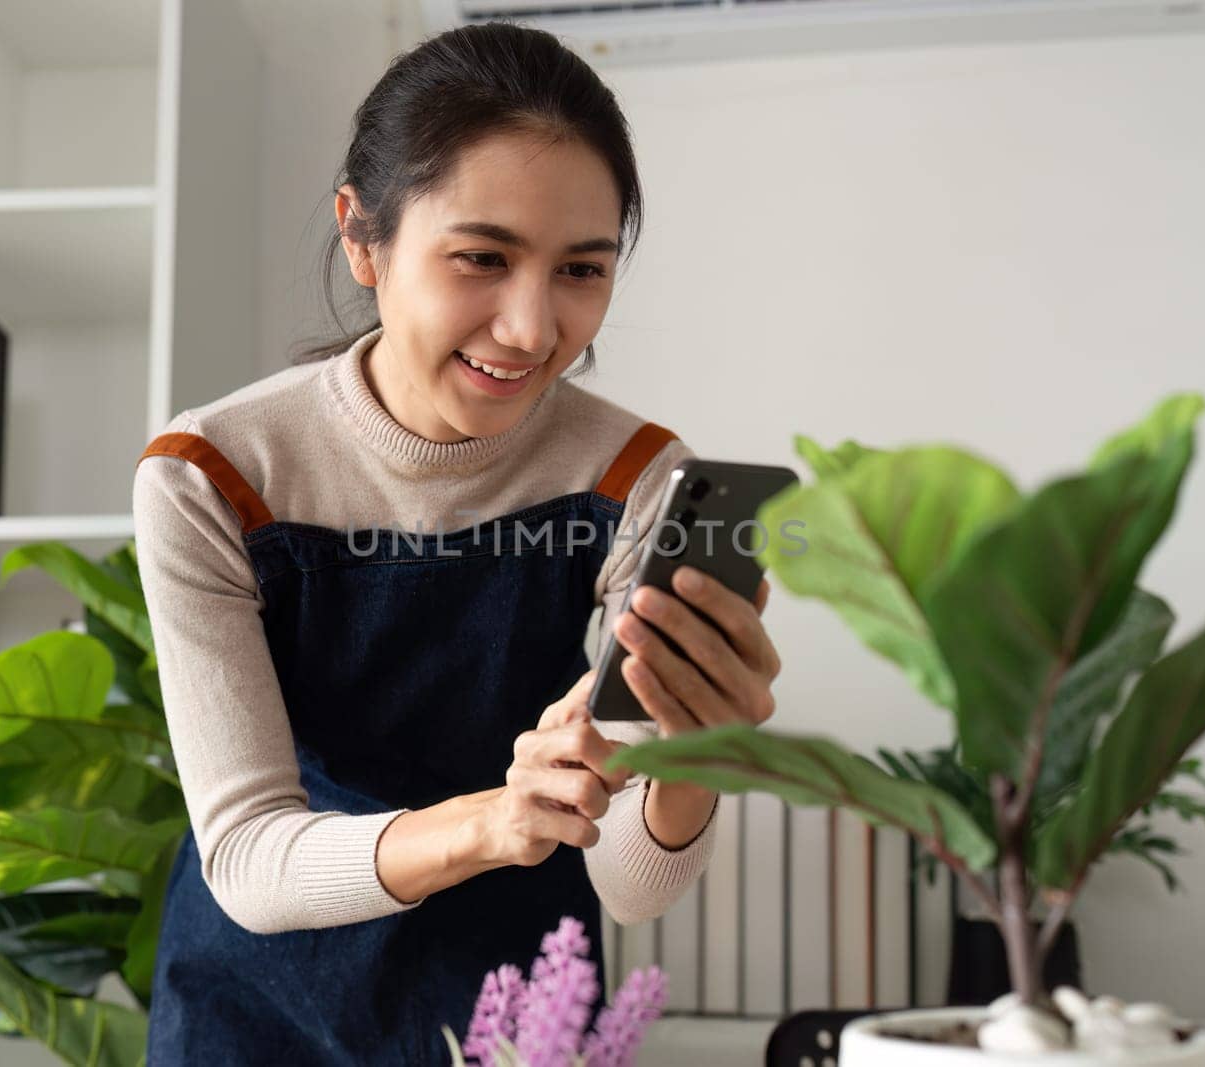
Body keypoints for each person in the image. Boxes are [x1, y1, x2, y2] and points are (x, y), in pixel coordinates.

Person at [131, 21, 782, 1065]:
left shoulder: (643, 481)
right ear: (362, 235)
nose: (532, 327)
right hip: (253, 1007)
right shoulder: (211, 473)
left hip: (514, 1007)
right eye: (482, 257)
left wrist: (693, 751)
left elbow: (632, 881)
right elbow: (250, 859)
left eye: (581, 268)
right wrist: (495, 820)